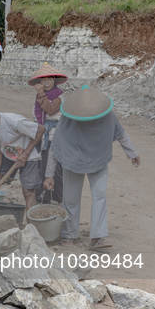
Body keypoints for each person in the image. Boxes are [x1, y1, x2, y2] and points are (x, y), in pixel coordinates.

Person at [44, 86, 139, 248]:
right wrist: (49, 174)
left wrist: (132, 152)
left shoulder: (108, 117)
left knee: (99, 195)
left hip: (98, 159)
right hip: (72, 161)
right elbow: (56, 147)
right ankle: (68, 234)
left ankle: (97, 237)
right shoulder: (67, 120)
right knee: (70, 198)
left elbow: (121, 133)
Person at [0, 100, 46, 221]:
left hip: (30, 153)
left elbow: (41, 129)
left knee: (28, 191)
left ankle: (30, 230)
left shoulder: (13, 121)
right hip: (9, 154)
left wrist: (26, 153)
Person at [28, 63, 66, 204]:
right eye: (43, 80)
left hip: (54, 136)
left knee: (55, 170)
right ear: (39, 82)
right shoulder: (39, 96)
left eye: (49, 79)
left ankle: (59, 200)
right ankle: (43, 200)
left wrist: (41, 94)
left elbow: (50, 110)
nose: (47, 83)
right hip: (41, 136)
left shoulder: (59, 95)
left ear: (54, 80)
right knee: (41, 168)